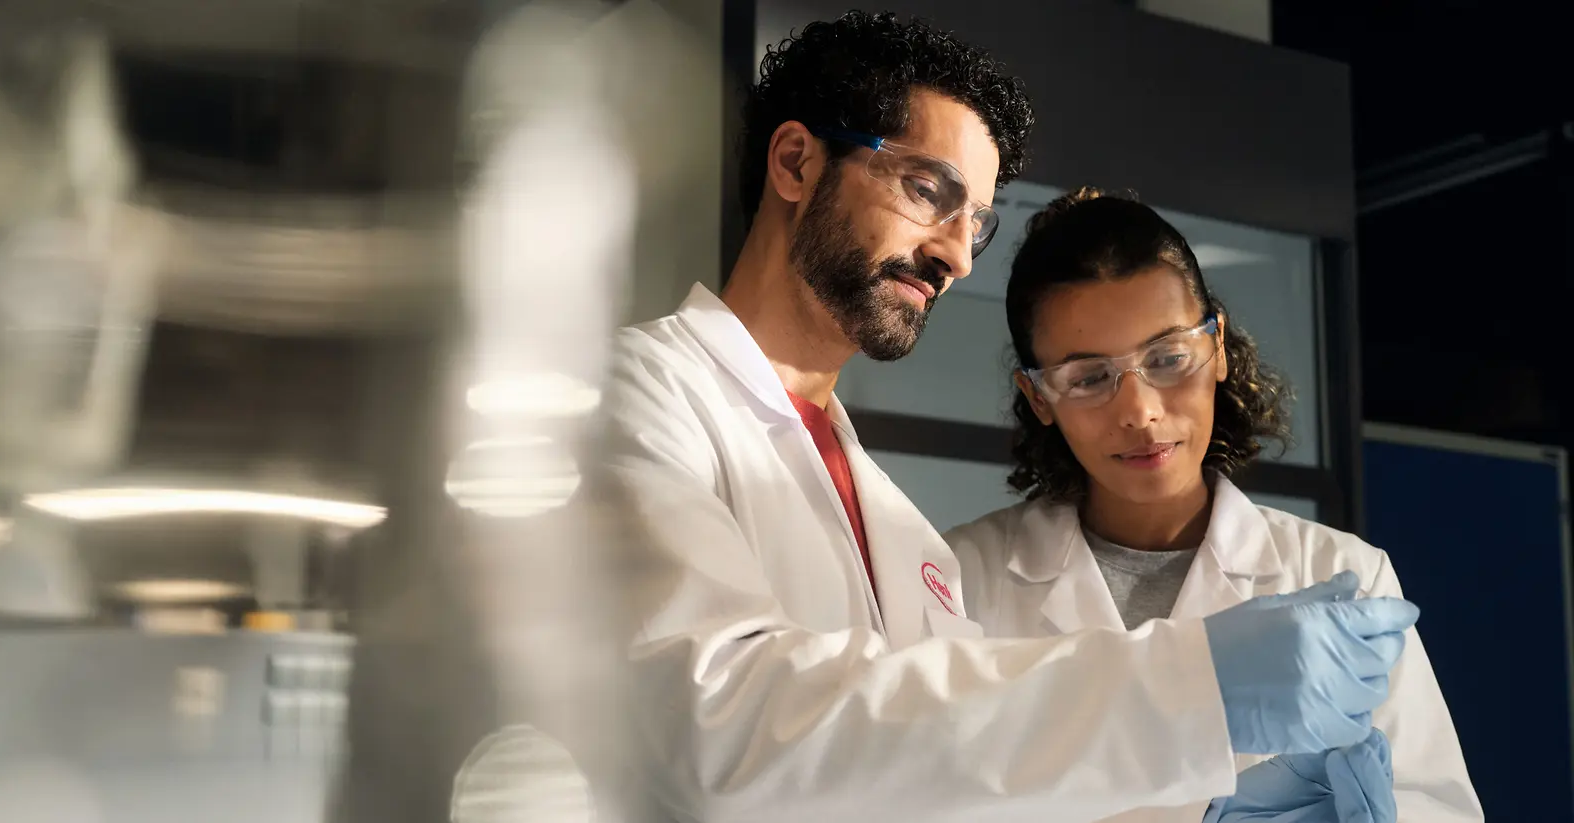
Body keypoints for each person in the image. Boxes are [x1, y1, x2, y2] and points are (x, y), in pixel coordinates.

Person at [598, 11, 1420, 823]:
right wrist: (1197, 686)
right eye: (929, 191)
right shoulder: (635, 396)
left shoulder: (903, 532)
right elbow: (718, 726)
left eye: (977, 224)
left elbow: (945, 774)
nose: (956, 255)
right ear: (795, 161)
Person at [944, 187, 1483, 821]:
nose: (1141, 411)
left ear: (1217, 346)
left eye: (1169, 358)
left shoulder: (1341, 576)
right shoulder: (961, 580)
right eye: (1089, 378)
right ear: (1039, 398)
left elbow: (1437, 805)